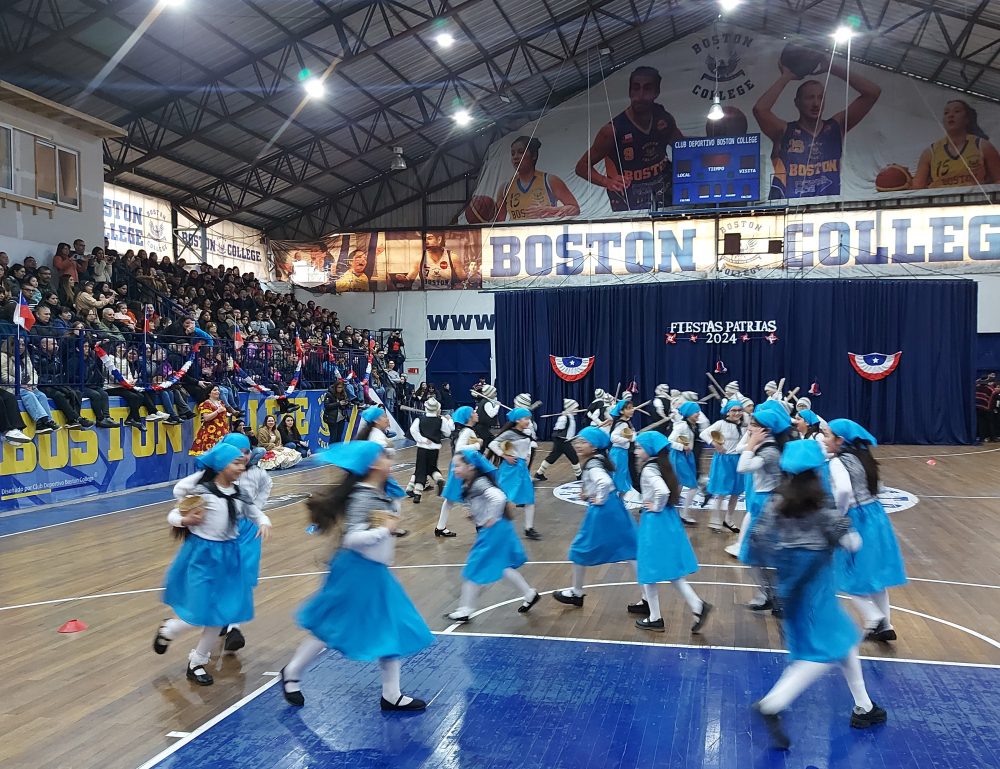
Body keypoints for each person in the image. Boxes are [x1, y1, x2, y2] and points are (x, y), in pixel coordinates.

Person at [749, 439, 886, 750]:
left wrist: (777, 567)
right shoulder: (821, 505)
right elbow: (850, 541)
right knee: (823, 653)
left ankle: (864, 705)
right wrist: (849, 535)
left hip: (790, 587)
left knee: (843, 640)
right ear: (815, 472)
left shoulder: (776, 502)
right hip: (817, 590)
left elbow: (757, 536)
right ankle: (772, 703)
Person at [280, 441, 434, 710]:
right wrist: (384, 530)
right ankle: (292, 672)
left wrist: (389, 530)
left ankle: (391, 694)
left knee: (390, 628)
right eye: (385, 458)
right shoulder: (364, 497)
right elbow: (353, 538)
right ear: (373, 465)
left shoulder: (377, 493)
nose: (390, 461)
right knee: (332, 628)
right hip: (356, 572)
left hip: (374, 572)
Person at [152, 442, 272, 686]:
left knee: (221, 615)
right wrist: (185, 519)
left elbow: (253, 512)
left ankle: (197, 662)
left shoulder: (238, 493)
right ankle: (170, 630)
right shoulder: (202, 492)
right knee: (199, 611)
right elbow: (173, 516)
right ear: (220, 466)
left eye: (242, 462)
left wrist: (263, 521)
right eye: (236, 462)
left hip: (229, 558)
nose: (242, 466)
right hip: (202, 557)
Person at [172, 433, 273, 653]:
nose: (242, 459)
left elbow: (265, 488)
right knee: (216, 584)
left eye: (245, 453)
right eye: (236, 456)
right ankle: (210, 625)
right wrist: (190, 511)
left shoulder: (257, 473)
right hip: (216, 536)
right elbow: (180, 492)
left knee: (244, 576)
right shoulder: (206, 480)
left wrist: (258, 511)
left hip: (246, 529)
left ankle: (232, 626)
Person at [826, 419, 908, 643]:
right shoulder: (865, 458)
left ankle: (873, 616)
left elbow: (843, 490)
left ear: (840, 440)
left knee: (847, 572)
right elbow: (878, 488)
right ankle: (885, 626)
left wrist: (838, 513)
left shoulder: (838, 462)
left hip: (855, 518)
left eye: (827, 435)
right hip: (876, 515)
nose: (823, 439)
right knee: (875, 575)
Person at [754, 59, 881, 199]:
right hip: (786, 207)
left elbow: (872, 92)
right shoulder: (784, 130)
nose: (816, 103)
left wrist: (832, 67)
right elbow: (760, 110)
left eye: (820, 98)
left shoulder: (835, 127)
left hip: (825, 208)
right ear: (797, 102)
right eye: (810, 98)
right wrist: (786, 76)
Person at [629, 432, 712, 634]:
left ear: (649, 449)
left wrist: (655, 506)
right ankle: (697, 605)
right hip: (667, 520)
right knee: (669, 570)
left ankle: (656, 617)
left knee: (648, 570)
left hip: (655, 522)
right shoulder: (662, 465)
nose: (636, 450)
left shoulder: (649, 470)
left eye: (639, 447)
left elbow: (663, 492)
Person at [445, 449, 541, 622]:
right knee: (502, 566)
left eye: (457, 466)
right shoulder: (469, 483)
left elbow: (498, 497)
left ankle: (465, 609)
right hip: (498, 528)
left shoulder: (479, 483)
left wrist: (492, 517)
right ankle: (529, 594)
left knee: (474, 567)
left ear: (471, 466)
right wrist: (472, 512)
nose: (454, 470)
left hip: (494, 530)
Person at [575, 66, 684, 211]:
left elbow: (682, 148)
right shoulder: (612, 130)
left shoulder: (663, 118)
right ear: (629, 91)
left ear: (656, 92)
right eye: (636, 88)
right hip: (631, 199)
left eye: (647, 89)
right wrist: (606, 181)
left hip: (664, 191)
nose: (640, 95)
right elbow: (581, 166)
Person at [553, 427, 638, 608]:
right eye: (578, 441)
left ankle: (577, 592)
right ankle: (647, 599)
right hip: (615, 509)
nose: (578, 445)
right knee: (631, 551)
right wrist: (588, 492)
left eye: (584, 442)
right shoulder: (598, 460)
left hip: (603, 511)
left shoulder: (593, 464)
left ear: (594, 447)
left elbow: (605, 482)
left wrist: (599, 497)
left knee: (579, 549)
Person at [730, 403, 796, 614]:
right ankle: (766, 595)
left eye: (753, 425)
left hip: (769, 504)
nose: (749, 428)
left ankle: (779, 597)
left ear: (765, 430)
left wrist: (750, 445)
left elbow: (742, 467)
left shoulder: (769, 452)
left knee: (765, 553)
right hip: (763, 502)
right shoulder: (767, 445)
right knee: (754, 553)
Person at [912, 100, 1000, 188]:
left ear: (967, 119)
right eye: (946, 113)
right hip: (940, 200)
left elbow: (998, 179)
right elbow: (918, 186)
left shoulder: (983, 146)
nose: (950, 115)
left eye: (957, 111)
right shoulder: (930, 152)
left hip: (975, 199)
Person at [496, 136, 580, 220]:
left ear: (534, 155)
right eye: (513, 154)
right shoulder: (505, 187)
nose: (515, 157)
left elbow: (575, 209)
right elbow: (499, 221)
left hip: (542, 231)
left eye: (521, 152)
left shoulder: (550, 181)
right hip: (516, 232)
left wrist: (551, 210)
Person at [488, 408, 539, 540]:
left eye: (529, 418)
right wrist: (504, 456)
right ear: (517, 420)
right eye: (525, 418)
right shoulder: (509, 433)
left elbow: (529, 445)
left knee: (529, 499)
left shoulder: (527, 432)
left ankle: (529, 528)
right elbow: (492, 444)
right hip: (509, 470)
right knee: (502, 498)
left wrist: (527, 456)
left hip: (522, 469)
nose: (528, 421)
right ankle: (492, 525)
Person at [699, 399, 746, 532]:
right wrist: (715, 444)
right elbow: (704, 433)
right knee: (721, 492)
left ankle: (729, 520)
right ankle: (714, 522)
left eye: (739, 410)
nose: (737, 413)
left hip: (738, 460)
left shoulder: (744, 426)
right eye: (733, 410)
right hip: (723, 461)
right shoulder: (721, 424)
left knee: (736, 492)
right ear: (727, 412)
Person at [437, 405, 480, 538]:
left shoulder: (466, 430)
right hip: (462, 467)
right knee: (474, 496)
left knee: (451, 499)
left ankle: (440, 527)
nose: (476, 413)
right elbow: (460, 448)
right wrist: (478, 445)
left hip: (459, 466)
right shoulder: (467, 431)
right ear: (468, 417)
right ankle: (482, 527)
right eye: (473, 412)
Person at [406, 397, 453, 504]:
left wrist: (422, 439)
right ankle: (439, 479)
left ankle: (417, 494)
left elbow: (413, 430)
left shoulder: (420, 419)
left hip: (422, 449)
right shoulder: (440, 421)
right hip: (434, 449)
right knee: (432, 468)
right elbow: (447, 433)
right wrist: (447, 420)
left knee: (420, 470)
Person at [668, 401, 706, 525]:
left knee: (679, 485)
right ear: (689, 413)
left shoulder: (691, 425)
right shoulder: (682, 425)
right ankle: (683, 514)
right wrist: (682, 447)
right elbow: (669, 441)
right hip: (679, 456)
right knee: (692, 486)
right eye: (696, 412)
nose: (698, 414)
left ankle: (673, 512)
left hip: (685, 456)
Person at [534, 399, 582, 482]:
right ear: (570, 408)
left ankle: (539, 473)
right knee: (574, 457)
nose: (577, 410)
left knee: (552, 457)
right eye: (575, 408)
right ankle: (579, 476)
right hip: (562, 441)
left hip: (564, 441)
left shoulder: (570, 417)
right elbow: (558, 429)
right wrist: (563, 418)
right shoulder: (564, 417)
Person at [608, 397, 636, 495]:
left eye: (632, 407)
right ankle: (614, 500)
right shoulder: (622, 424)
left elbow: (632, 436)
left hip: (622, 452)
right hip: (618, 452)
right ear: (621, 411)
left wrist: (632, 437)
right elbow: (613, 438)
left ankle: (618, 500)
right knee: (618, 476)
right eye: (628, 408)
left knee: (621, 475)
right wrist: (628, 440)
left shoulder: (627, 422)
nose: (632, 410)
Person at [190, 386, 230, 455]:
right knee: (210, 453)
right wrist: (217, 411)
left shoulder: (221, 402)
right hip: (211, 432)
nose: (217, 392)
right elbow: (206, 418)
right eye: (215, 390)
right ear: (209, 393)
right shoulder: (206, 403)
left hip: (222, 430)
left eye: (218, 390)